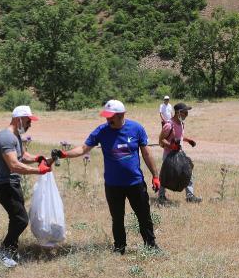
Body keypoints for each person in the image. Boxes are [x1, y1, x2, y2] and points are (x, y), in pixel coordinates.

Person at [54, 100, 161, 254]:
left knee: (144, 216)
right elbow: (83, 148)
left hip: (135, 182)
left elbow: (146, 153)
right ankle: (119, 248)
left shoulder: (136, 129)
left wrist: (155, 176)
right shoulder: (101, 131)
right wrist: (64, 154)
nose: (107, 120)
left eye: (111, 117)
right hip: (113, 185)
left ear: (121, 115)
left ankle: (151, 246)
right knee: (117, 218)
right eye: (106, 116)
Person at [0, 105, 52, 268]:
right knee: (21, 220)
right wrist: (38, 171)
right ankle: (2, 251)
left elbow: (22, 156)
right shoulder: (6, 137)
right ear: (18, 119)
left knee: (15, 217)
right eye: (28, 121)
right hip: (4, 185)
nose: (29, 124)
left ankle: (11, 249)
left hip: (12, 184)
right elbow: (14, 165)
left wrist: (38, 158)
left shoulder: (15, 135)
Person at [157, 102, 202, 204]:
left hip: (180, 154)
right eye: (185, 113)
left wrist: (188, 140)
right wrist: (171, 146)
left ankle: (190, 196)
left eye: (187, 113)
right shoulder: (168, 125)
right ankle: (161, 196)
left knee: (188, 172)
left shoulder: (181, 124)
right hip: (169, 155)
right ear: (178, 113)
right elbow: (161, 140)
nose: (186, 115)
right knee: (165, 175)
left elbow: (179, 137)